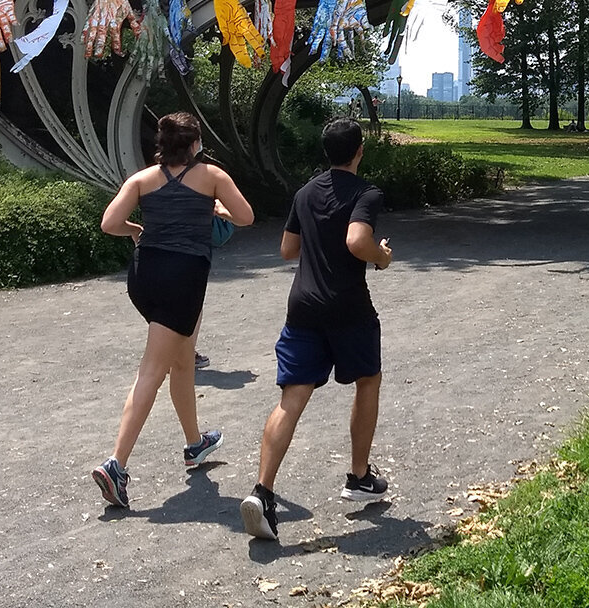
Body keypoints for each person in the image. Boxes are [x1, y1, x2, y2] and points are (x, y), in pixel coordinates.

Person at [90, 112, 255, 510]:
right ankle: (116, 464)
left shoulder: (142, 179)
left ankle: (194, 444)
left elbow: (109, 223)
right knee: (152, 370)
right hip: (183, 280)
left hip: (144, 278)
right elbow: (247, 217)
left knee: (182, 361)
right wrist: (219, 211)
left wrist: (135, 229)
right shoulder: (212, 177)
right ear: (195, 143)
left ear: (161, 143)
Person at [241, 118, 393, 540]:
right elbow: (356, 240)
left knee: (292, 397)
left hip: (303, 306)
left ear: (325, 151)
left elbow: (288, 249)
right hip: (348, 307)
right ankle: (359, 476)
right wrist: (380, 257)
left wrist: (320, 235)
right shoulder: (367, 193)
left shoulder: (306, 192)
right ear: (360, 150)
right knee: (368, 380)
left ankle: (263, 492)